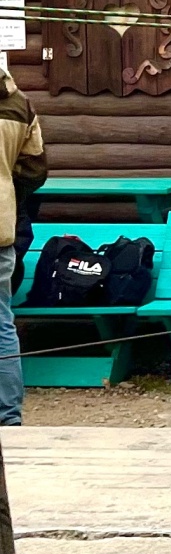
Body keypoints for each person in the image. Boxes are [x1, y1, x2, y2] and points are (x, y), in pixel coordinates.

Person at [0, 66, 46, 425]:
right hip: (0, 228)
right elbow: (34, 170)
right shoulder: (19, 104)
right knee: (2, 324)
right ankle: (9, 418)